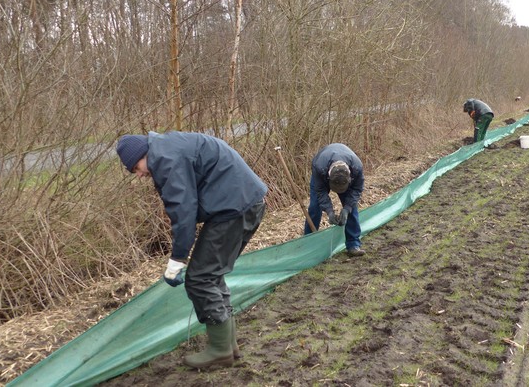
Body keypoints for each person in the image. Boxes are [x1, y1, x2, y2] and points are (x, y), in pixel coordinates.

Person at [116, 131, 267, 370]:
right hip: (242, 203)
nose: (140, 175)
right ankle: (229, 345)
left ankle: (220, 351)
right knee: (211, 274)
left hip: (233, 208)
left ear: (142, 155)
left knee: (200, 278)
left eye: (136, 167)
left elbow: (183, 209)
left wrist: (178, 258)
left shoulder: (165, 159)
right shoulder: (167, 148)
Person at [304, 143, 365, 256]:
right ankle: (308, 244)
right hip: (322, 176)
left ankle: (353, 245)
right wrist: (329, 211)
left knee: (352, 208)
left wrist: (346, 208)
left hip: (345, 173)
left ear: (349, 179)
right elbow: (320, 192)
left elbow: (357, 190)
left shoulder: (357, 168)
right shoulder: (319, 167)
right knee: (314, 207)